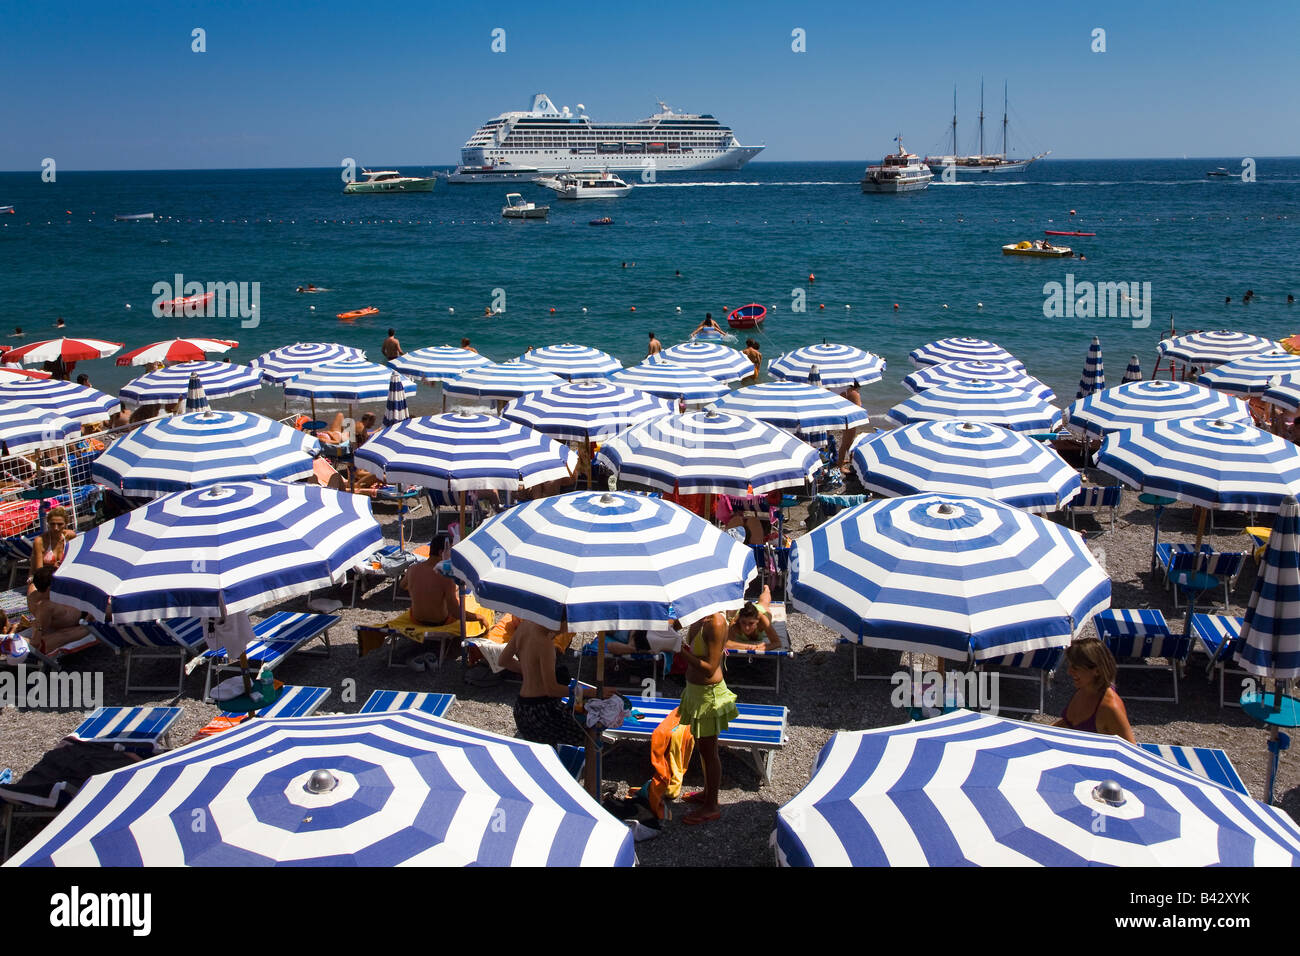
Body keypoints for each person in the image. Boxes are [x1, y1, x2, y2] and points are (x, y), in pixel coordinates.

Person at [676, 611, 737, 824]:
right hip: (695, 692)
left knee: (709, 751)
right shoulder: (698, 617)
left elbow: (710, 668)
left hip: (708, 695)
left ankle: (711, 805)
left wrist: (679, 651)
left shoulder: (716, 622)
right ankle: (707, 793)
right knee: (703, 748)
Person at [504, 618, 589, 748]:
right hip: (542, 712)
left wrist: (530, 672)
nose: (565, 631)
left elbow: (504, 660)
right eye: (567, 626)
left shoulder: (525, 625)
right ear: (560, 620)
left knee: (542, 751)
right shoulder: (545, 644)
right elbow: (551, 689)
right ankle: (589, 769)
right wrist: (588, 692)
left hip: (521, 709)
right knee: (588, 732)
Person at [1054, 637, 1136, 743]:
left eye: (1075, 668)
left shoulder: (1110, 708)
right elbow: (1068, 723)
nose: (1069, 672)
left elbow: (1130, 750)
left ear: (1096, 671)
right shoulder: (1084, 688)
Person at [401, 534, 486, 628]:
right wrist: (479, 617)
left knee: (451, 591)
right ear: (442, 552)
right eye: (452, 551)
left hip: (416, 619)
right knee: (465, 597)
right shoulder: (445, 577)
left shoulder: (412, 569)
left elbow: (403, 585)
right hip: (439, 622)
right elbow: (456, 613)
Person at [27, 566, 89, 654]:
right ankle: (23, 667)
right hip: (80, 619)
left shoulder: (33, 592)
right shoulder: (45, 606)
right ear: (50, 588)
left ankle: (22, 666)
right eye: (59, 583)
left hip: (81, 614)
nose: (62, 585)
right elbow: (37, 638)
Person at [32, 507, 76, 578]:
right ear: (48, 523)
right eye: (52, 524)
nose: (56, 528)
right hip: (44, 578)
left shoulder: (70, 536)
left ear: (66, 524)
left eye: (60, 524)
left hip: (65, 575)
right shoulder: (40, 541)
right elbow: (39, 572)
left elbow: (76, 560)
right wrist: (53, 568)